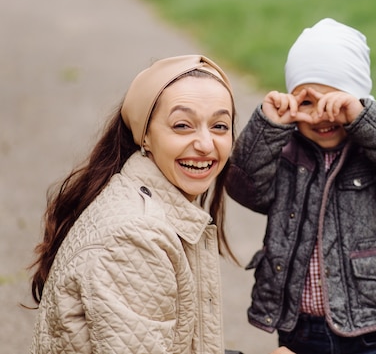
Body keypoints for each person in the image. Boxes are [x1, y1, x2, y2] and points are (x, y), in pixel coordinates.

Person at [29, 55, 294, 354]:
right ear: (145, 136)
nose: (206, 144)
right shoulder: (135, 239)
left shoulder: (141, 200)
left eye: (220, 126)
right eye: (183, 125)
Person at [225, 18, 376, 354]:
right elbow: (243, 186)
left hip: (374, 326)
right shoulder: (284, 153)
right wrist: (268, 127)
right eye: (308, 102)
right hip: (302, 328)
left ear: (358, 102)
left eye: (336, 103)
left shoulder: (375, 152)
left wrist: (363, 120)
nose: (322, 116)